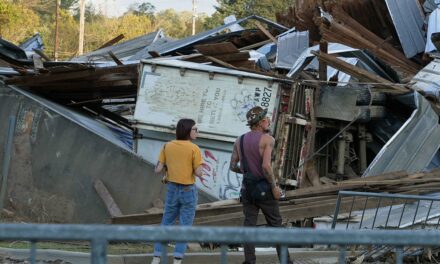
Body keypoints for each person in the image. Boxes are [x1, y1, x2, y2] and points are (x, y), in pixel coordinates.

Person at [230, 106, 293, 264]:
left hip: (247, 190)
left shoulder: (240, 140)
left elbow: (233, 166)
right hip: (264, 189)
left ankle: (249, 261)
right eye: (265, 119)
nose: (268, 121)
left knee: (249, 226)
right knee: (276, 225)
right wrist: (274, 187)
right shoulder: (267, 140)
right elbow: (266, 166)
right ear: (259, 123)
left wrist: (247, 172)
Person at [151, 118, 203, 264]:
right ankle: (177, 260)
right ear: (188, 130)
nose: (197, 132)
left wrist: (170, 166)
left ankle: (156, 257)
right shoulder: (194, 149)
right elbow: (199, 172)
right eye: (195, 129)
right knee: (184, 226)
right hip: (188, 190)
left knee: (166, 223)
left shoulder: (167, 146)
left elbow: (158, 169)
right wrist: (202, 170)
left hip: (172, 189)